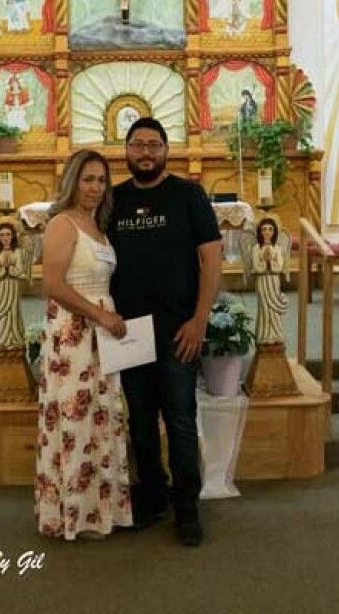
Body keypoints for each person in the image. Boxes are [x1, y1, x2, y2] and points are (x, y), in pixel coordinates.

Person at [108, 117, 223, 546]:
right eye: (137, 144)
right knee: (139, 420)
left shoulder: (188, 195)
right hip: (127, 331)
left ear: (166, 149)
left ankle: (186, 504)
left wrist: (199, 319)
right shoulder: (112, 200)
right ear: (126, 150)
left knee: (179, 418)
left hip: (179, 329)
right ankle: (152, 496)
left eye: (153, 145)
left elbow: (211, 259)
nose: (145, 153)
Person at [35, 150, 133, 540]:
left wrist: (108, 317)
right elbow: (53, 285)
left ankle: (99, 511)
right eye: (88, 179)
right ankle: (71, 513)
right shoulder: (62, 224)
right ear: (73, 180)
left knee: (101, 415)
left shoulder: (97, 226)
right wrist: (99, 315)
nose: (95, 187)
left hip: (101, 330)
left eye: (101, 180)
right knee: (74, 417)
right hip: (75, 333)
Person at [0, 221, 27, 350]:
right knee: (4, 313)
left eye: (8, 234)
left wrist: (10, 269)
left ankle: (16, 339)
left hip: (13, 285)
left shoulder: (18, 252)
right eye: (2, 235)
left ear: (13, 236)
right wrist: (3, 271)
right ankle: (3, 340)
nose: (5, 238)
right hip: (2, 286)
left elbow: (21, 270)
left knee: (14, 311)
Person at [251, 217, 288, 344]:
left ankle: (276, 334)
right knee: (264, 307)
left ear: (274, 232)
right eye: (264, 229)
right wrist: (264, 263)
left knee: (274, 309)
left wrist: (270, 262)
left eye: (270, 229)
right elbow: (256, 267)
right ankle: (264, 335)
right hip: (262, 281)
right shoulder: (256, 248)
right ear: (260, 232)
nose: (267, 232)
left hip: (273, 281)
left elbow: (280, 266)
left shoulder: (277, 248)